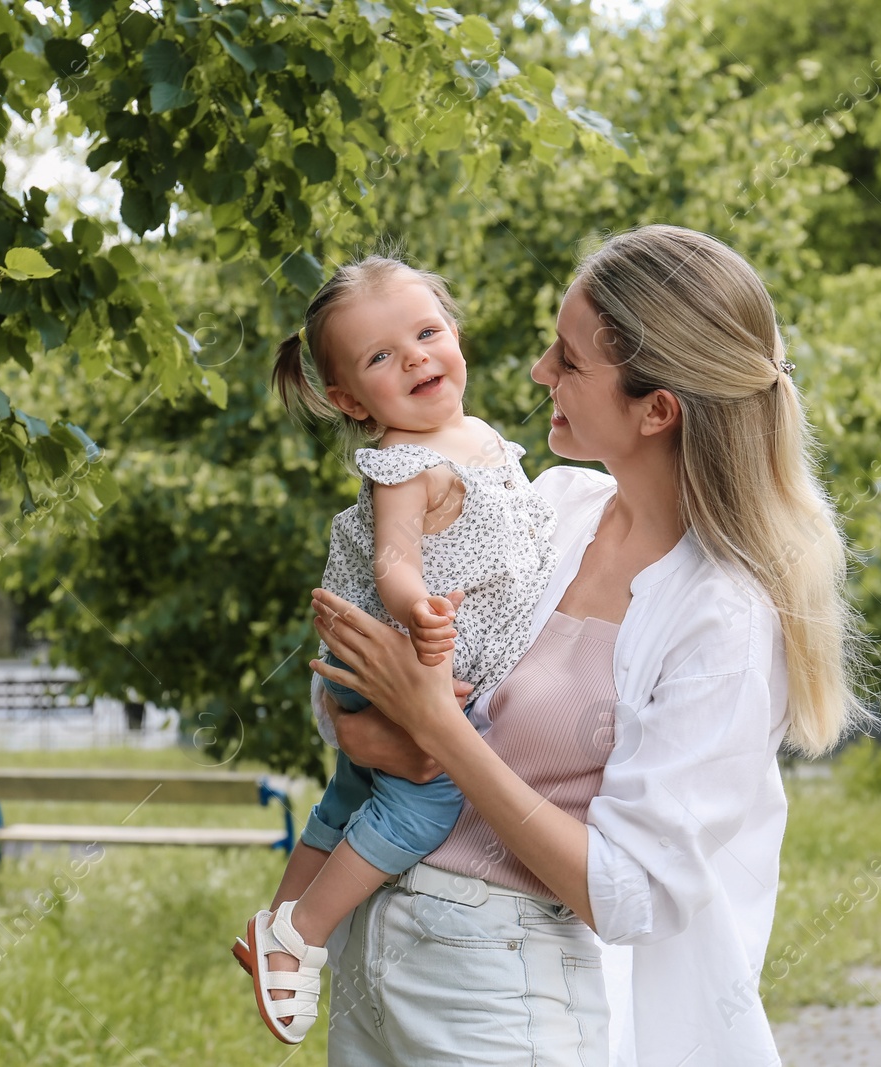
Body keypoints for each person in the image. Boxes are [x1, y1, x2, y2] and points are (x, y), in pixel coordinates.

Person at [304, 224, 873, 1065]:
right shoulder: (555, 507)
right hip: (383, 957)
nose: (538, 373)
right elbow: (396, 654)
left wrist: (439, 730)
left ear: (657, 409)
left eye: (568, 361)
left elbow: (628, 891)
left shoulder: (723, 621)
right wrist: (347, 722)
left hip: (506, 994)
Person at [231, 252, 561, 1044]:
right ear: (348, 398)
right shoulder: (406, 464)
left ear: (456, 334)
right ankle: (305, 933)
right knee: (425, 800)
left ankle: (272, 919)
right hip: (398, 659)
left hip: (384, 671)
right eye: (382, 355)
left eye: (426, 331)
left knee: (349, 796)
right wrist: (421, 611)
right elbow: (394, 561)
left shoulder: (479, 437)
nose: (416, 355)